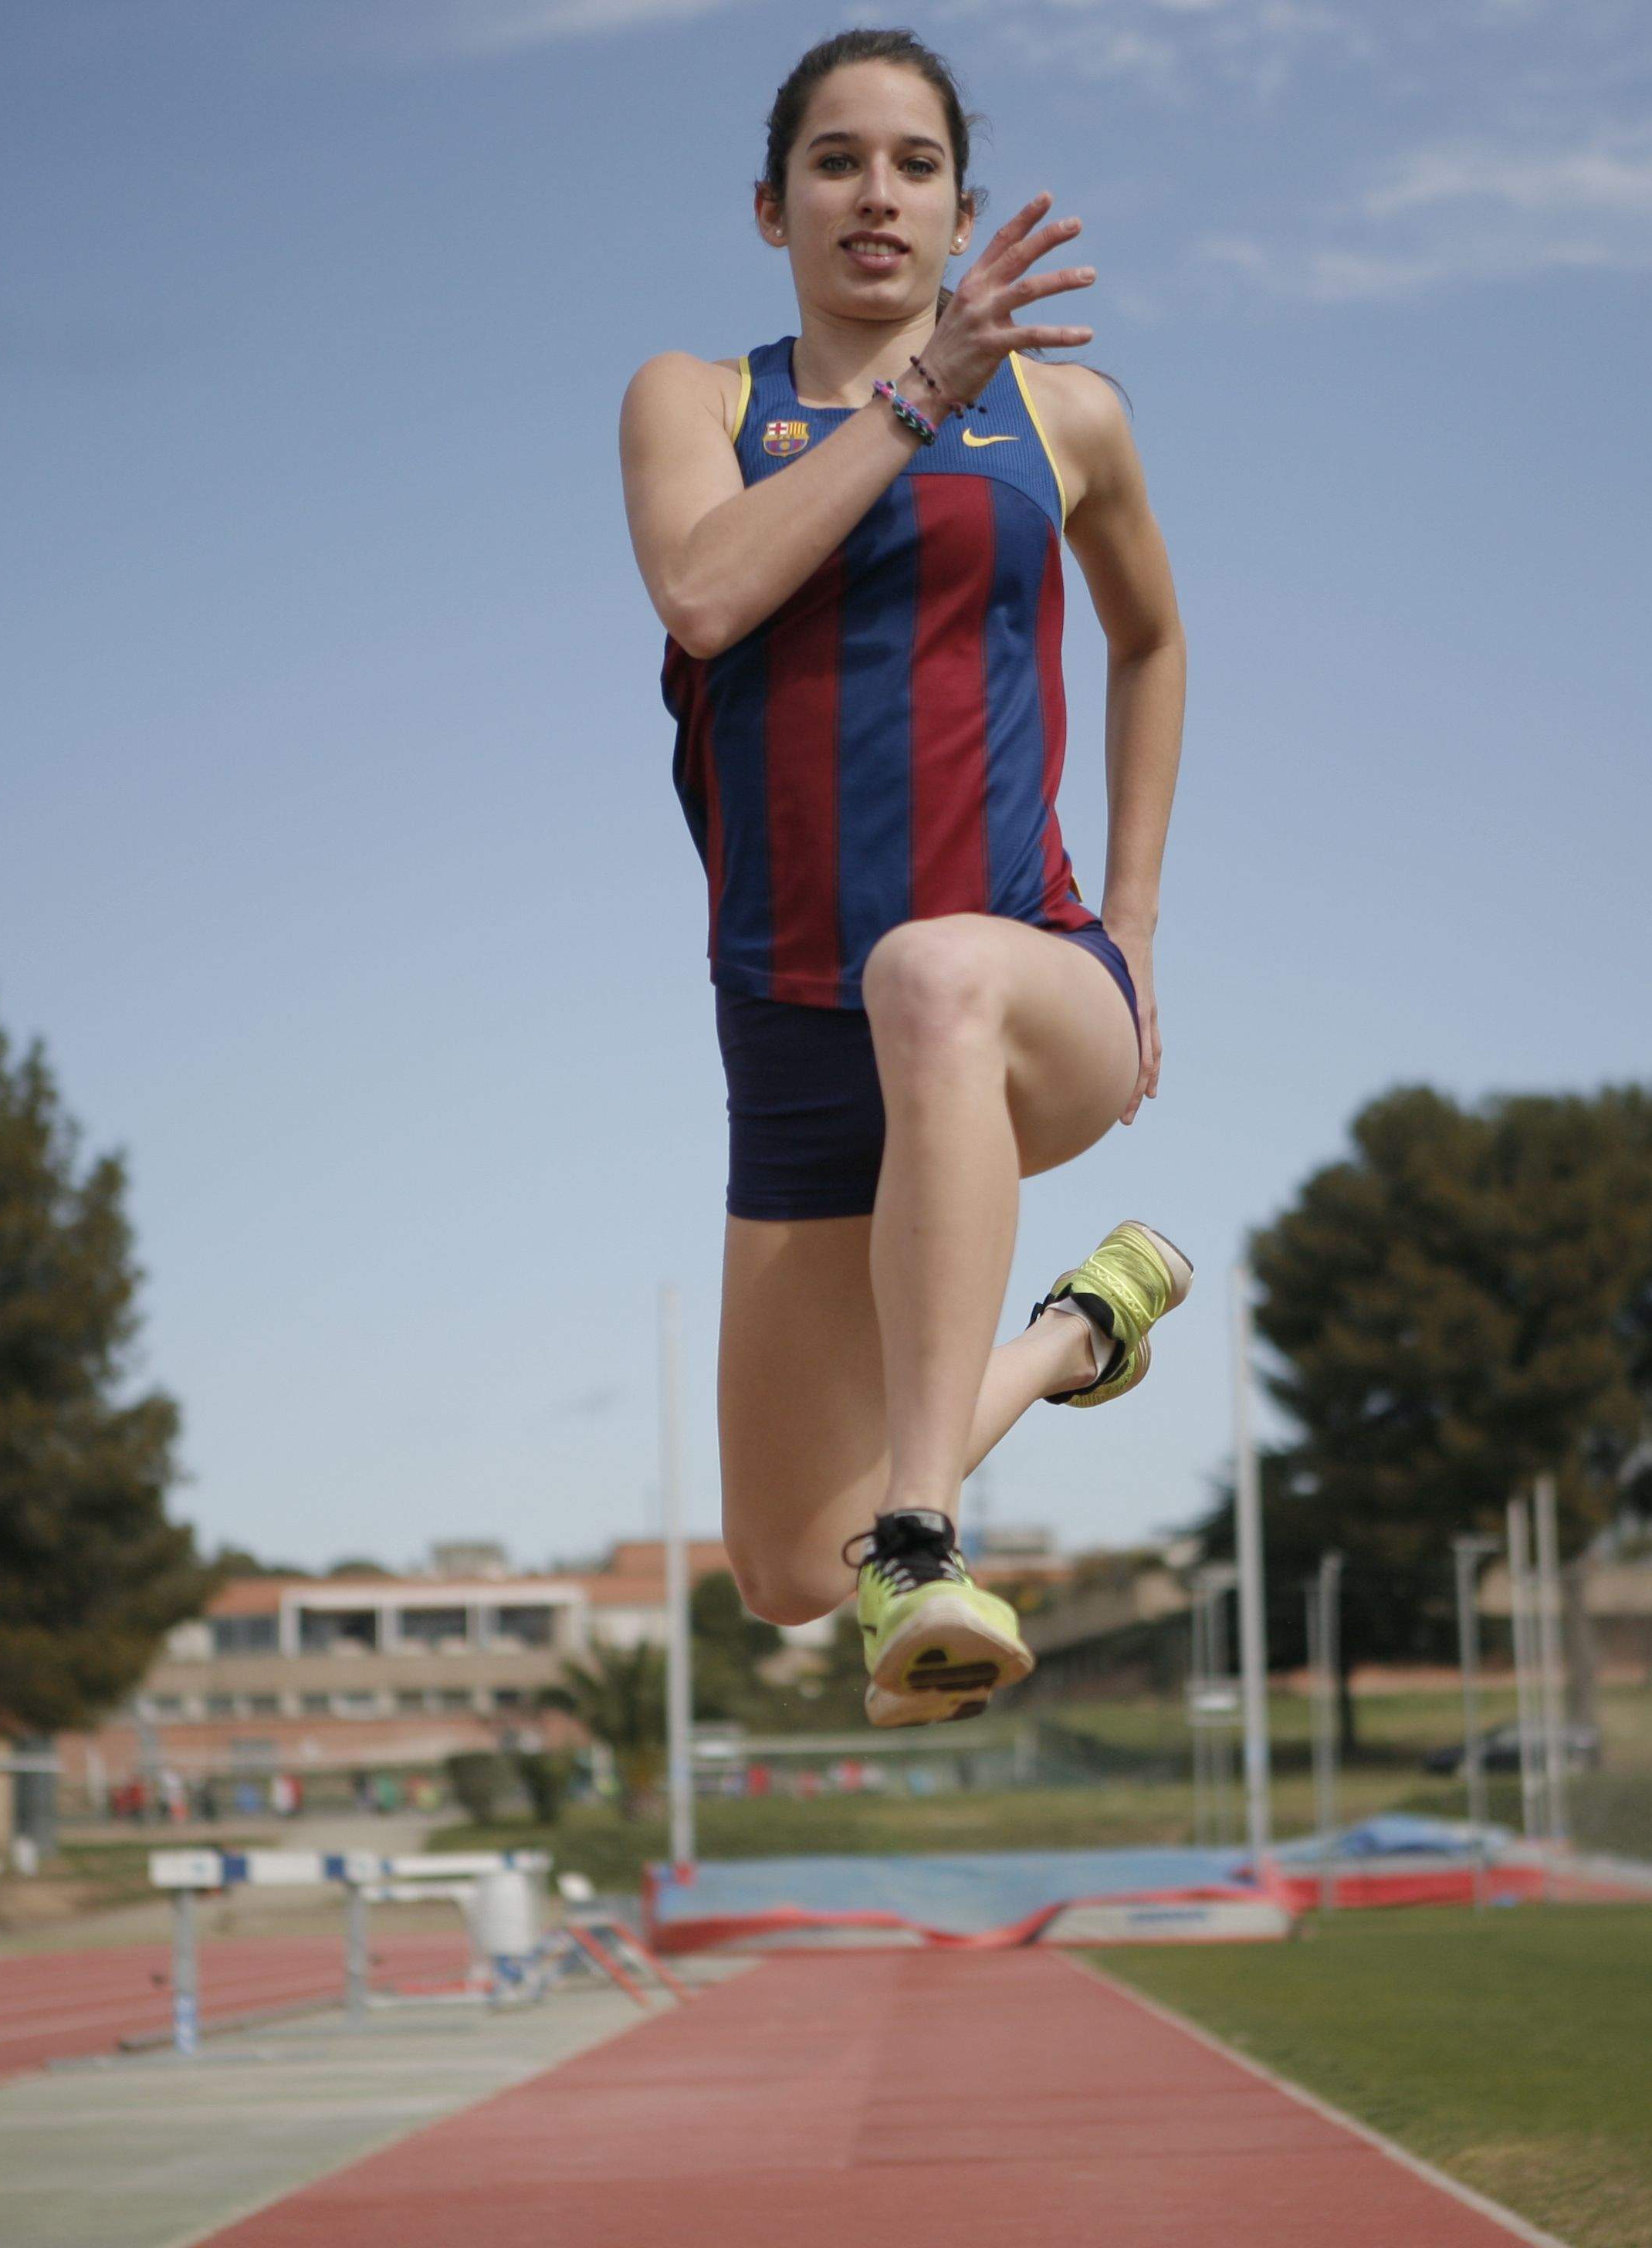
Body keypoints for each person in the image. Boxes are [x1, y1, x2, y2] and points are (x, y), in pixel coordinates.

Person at [620, 30, 1189, 1727]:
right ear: (771, 206)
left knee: (931, 970)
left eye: (918, 163)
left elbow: (1152, 639)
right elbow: (710, 594)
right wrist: (914, 394)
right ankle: (1084, 1331)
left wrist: (1140, 933)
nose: (879, 193)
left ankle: (928, 1532)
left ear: (961, 205)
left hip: (1027, 992)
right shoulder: (697, 403)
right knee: (791, 1573)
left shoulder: (1067, 414)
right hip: (794, 1035)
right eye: (838, 161)